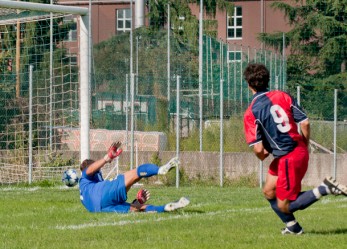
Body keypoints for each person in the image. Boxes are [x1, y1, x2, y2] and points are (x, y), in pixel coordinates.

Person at [243, 63, 347, 235]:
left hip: (287, 157)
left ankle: (325, 188)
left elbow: (258, 150)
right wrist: (304, 145)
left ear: (248, 84)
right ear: (267, 80)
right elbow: (305, 122)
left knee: (285, 204)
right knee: (269, 191)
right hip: (296, 150)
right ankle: (293, 227)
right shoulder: (283, 95)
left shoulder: (251, 112)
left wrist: (262, 155)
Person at [79, 142, 190, 213]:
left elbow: (113, 200)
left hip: (100, 209)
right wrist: (106, 158)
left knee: (136, 209)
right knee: (136, 173)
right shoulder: (84, 178)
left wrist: (138, 201)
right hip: (103, 195)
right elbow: (89, 170)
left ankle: (165, 208)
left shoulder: (85, 193)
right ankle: (159, 170)